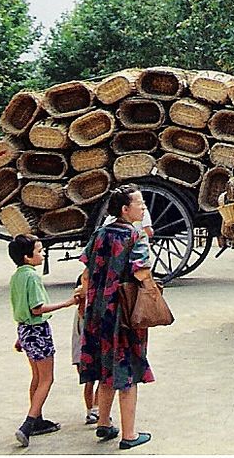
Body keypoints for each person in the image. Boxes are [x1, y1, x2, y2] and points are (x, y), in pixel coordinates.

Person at [78, 185, 154, 450]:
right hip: (122, 314)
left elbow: (86, 270)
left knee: (103, 367)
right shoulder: (136, 236)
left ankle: (103, 423)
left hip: (97, 312)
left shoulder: (99, 234)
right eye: (139, 203)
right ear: (125, 209)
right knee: (128, 373)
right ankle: (129, 435)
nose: (143, 208)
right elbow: (140, 272)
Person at [8, 234, 78, 447]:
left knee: (37, 377)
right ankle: (28, 424)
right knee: (47, 379)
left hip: (25, 330)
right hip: (38, 330)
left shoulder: (17, 276)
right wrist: (66, 304)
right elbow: (37, 308)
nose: (43, 253)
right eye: (39, 251)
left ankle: (37, 418)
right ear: (28, 257)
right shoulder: (32, 277)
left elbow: (21, 307)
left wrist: (21, 337)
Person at [71, 273, 106, 425]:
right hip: (87, 349)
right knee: (100, 381)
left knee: (90, 382)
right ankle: (96, 409)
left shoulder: (82, 306)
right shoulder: (87, 307)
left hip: (80, 351)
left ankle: (91, 410)